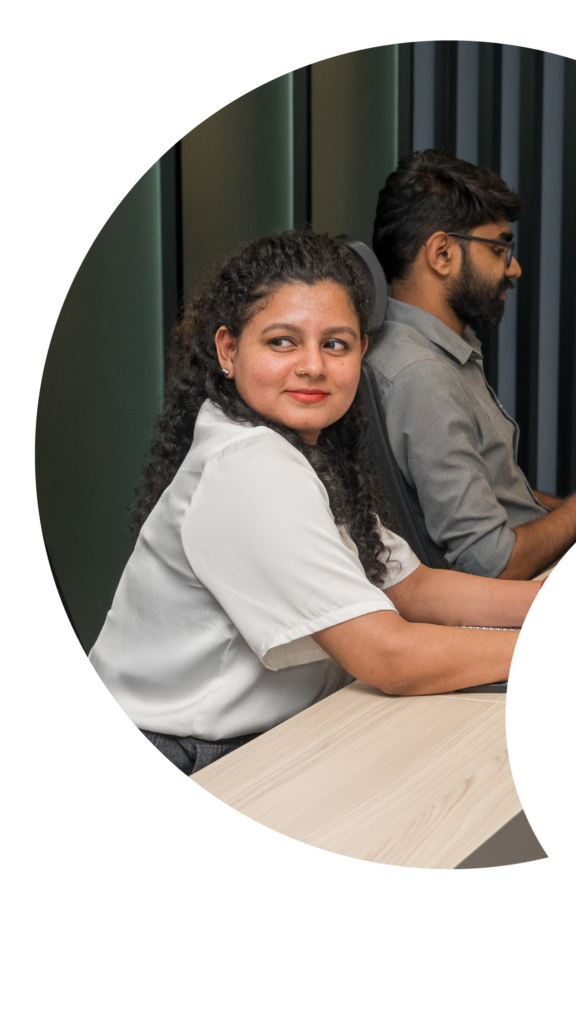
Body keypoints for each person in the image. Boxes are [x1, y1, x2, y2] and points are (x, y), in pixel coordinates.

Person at [89, 229, 540, 775]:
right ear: (228, 350)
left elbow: (413, 588)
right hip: (179, 759)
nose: (313, 366)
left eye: (335, 344)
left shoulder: (303, 453)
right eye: (282, 342)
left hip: (263, 736)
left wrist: (564, 601)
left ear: (361, 353)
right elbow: (388, 657)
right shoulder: (249, 466)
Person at [368, 149, 576, 581]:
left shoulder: (430, 351)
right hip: (517, 600)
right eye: (500, 247)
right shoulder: (421, 374)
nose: (515, 268)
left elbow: (488, 496)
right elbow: (492, 562)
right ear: (442, 253)